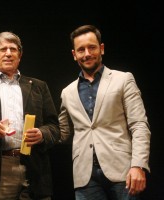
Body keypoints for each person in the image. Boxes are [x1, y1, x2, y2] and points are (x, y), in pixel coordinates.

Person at [0, 31, 60, 200]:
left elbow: (55, 127)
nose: (8, 53)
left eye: (13, 49)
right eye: (3, 49)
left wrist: (43, 134)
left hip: (35, 168)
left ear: (19, 56)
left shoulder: (39, 86)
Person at [58, 24, 151, 200]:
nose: (86, 54)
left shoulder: (123, 80)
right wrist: (38, 132)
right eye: (81, 49)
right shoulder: (67, 92)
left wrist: (138, 165)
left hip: (123, 170)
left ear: (101, 49)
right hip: (85, 175)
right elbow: (62, 133)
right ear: (74, 54)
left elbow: (139, 125)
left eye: (91, 47)